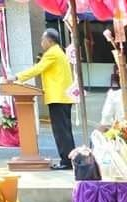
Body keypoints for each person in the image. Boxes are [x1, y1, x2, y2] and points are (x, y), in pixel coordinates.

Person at [16, 28, 74, 170]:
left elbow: (37, 69)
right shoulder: (58, 52)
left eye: (43, 40)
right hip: (62, 97)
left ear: (49, 40)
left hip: (58, 98)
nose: (41, 43)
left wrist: (17, 77)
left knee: (61, 131)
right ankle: (68, 159)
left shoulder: (52, 53)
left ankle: (66, 161)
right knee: (64, 131)